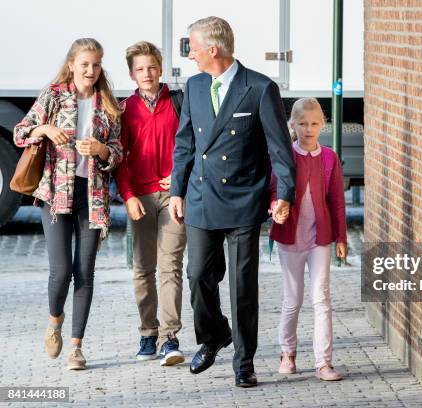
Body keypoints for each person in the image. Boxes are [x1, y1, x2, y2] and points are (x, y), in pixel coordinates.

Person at [168, 16, 295, 387]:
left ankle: (244, 361)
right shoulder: (193, 87)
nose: (189, 54)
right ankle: (214, 335)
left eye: (192, 47)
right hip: (201, 198)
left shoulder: (258, 87)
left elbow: (280, 150)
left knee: (242, 285)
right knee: (197, 277)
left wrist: (284, 194)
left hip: (243, 200)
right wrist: (177, 190)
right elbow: (185, 144)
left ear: (213, 49)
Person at [13, 38, 123, 370]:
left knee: (84, 272)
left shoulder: (107, 104)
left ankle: (76, 347)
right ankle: (55, 321)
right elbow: (20, 132)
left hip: (93, 195)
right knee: (60, 271)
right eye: (85, 64)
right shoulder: (54, 94)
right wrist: (44, 128)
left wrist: (103, 152)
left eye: (97, 64)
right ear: (72, 64)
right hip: (56, 193)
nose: (91, 70)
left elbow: (118, 150)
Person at [113, 41, 187, 366]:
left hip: (174, 197)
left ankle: (170, 338)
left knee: (170, 266)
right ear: (132, 73)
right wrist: (128, 196)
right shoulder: (125, 110)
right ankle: (147, 333)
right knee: (143, 269)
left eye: (152, 67)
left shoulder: (180, 103)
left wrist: (181, 176)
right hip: (140, 198)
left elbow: (193, 145)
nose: (147, 73)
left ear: (160, 67)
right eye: (140, 69)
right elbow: (119, 159)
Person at [269, 97, 347, 381]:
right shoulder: (284, 156)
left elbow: (337, 200)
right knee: (293, 300)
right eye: (302, 124)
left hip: (320, 238)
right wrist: (274, 209)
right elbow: (273, 190)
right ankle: (287, 353)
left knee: (321, 299)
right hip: (290, 237)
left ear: (322, 125)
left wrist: (341, 237)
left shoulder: (329, 158)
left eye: (314, 123)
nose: (308, 129)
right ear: (292, 125)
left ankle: (323, 363)